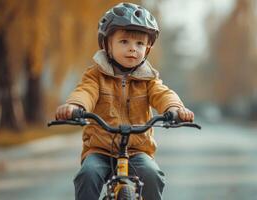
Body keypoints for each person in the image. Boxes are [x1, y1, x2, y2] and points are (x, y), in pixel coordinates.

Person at [55, 2, 194, 200]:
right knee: (87, 174)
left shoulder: (148, 79)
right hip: (100, 149)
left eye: (139, 44)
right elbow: (86, 91)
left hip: (137, 150)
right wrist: (75, 106)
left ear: (147, 49)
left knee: (153, 175)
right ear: (107, 44)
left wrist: (175, 108)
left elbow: (163, 94)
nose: (132, 49)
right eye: (124, 42)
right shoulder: (96, 75)